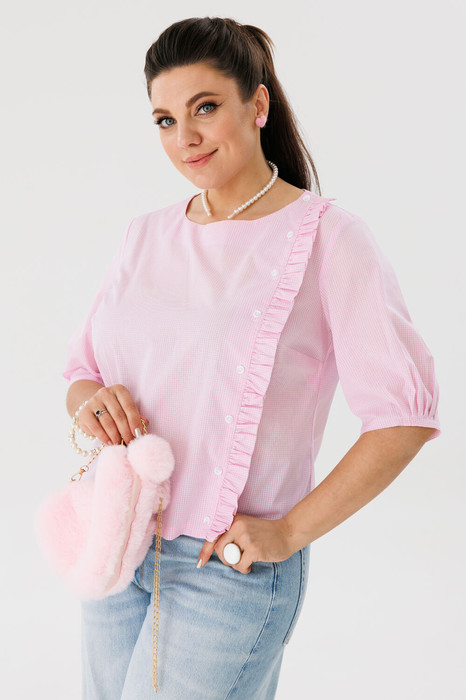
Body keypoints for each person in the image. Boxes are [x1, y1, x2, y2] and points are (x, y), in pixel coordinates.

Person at [62, 16, 442, 700]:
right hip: (115, 543)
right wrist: (93, 401)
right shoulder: (144, 235)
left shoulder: (328, 239)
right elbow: (81, 373)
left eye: (205, 108)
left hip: (223, 569)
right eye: (165, 120)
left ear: (257, 104)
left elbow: (403, 417)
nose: (185, 137)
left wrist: (290, 531)